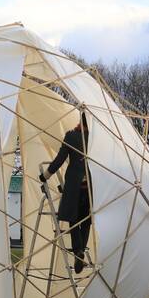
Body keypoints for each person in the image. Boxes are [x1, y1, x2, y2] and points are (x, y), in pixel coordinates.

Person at [40, 114, 92, 273]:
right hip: (90, 187)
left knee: (73, 218)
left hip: (74, 186)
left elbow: (60, 159)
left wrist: (45, 176)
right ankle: (81, 250)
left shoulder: (71, 136)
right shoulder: (95, 139)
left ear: (80, 121)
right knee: (86, 220)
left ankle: (78, 251)